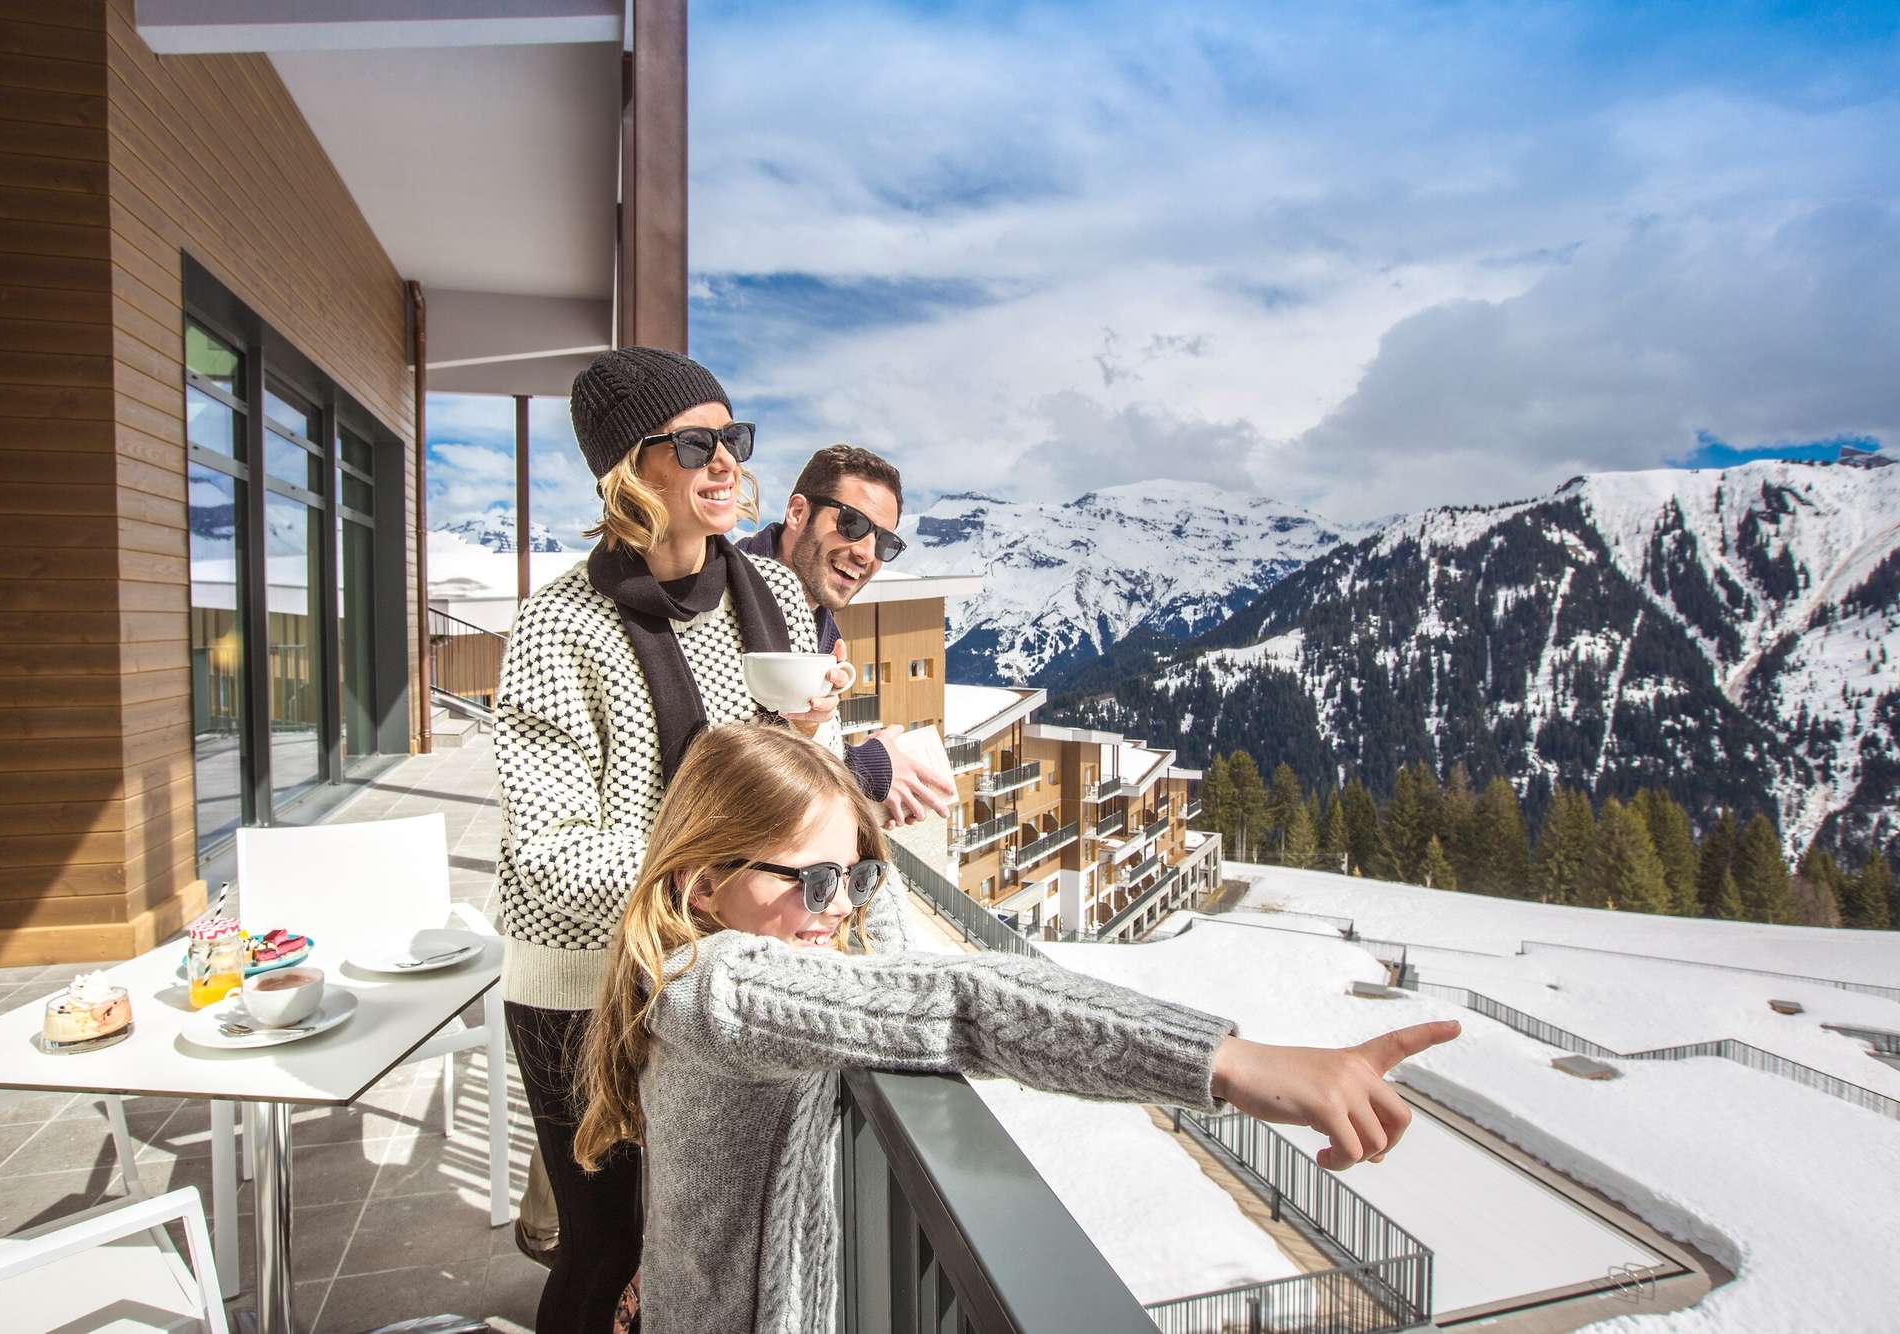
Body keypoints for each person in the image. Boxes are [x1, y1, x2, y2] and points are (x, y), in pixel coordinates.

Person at [574, 724, 1462, 1333]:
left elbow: (883, 958)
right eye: (813, 883)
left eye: (854, 878)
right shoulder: (725, 985)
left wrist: (849, 811)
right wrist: (1226, 1060)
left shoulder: (693, 961)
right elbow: (955, 1000)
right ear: (701, 883)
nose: (839, 910)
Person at [492, 347, 851, 1333]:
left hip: (711, 964)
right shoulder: (559, 627)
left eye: (734, 438)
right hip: (583, 979)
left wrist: (812, 737)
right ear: (628, 469)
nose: (726, 462)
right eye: (695, 444)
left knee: (692, 1242)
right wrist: (713, 879)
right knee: (606, 1248)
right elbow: (549, 855)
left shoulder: (770, 593)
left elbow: (780, 787)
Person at [736, 444, 958, 828]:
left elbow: (794, 736)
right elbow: (737, 751)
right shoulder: (725, 593)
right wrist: (866, 768)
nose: (866, 554)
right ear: (798, 512)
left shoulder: (824, 629)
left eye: (885, 543)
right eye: (852, 524)